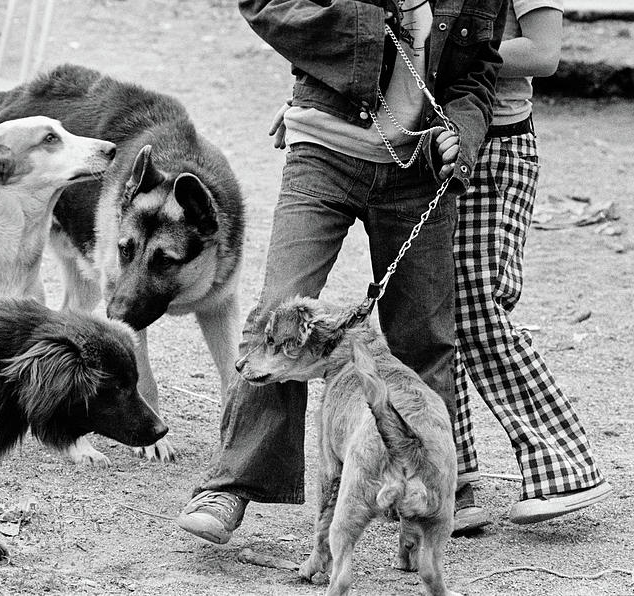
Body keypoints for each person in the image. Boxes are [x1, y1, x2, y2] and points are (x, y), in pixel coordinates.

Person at [175, 0, 508, 545]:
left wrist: (462, 135)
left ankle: (429, 492)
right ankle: (233, 482)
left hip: (420, 171)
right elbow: (263, 6)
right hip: (323, 151)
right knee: (277, 311)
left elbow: (475, 76)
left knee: (424, 333)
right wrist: (375, 25)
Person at [451, 0, 612, 532]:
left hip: (497, 148)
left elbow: (543, 54)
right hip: (429, 144)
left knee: (478, 310)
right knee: (426, 313)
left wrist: (445, 53)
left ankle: (565, 465)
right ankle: (450, 480)